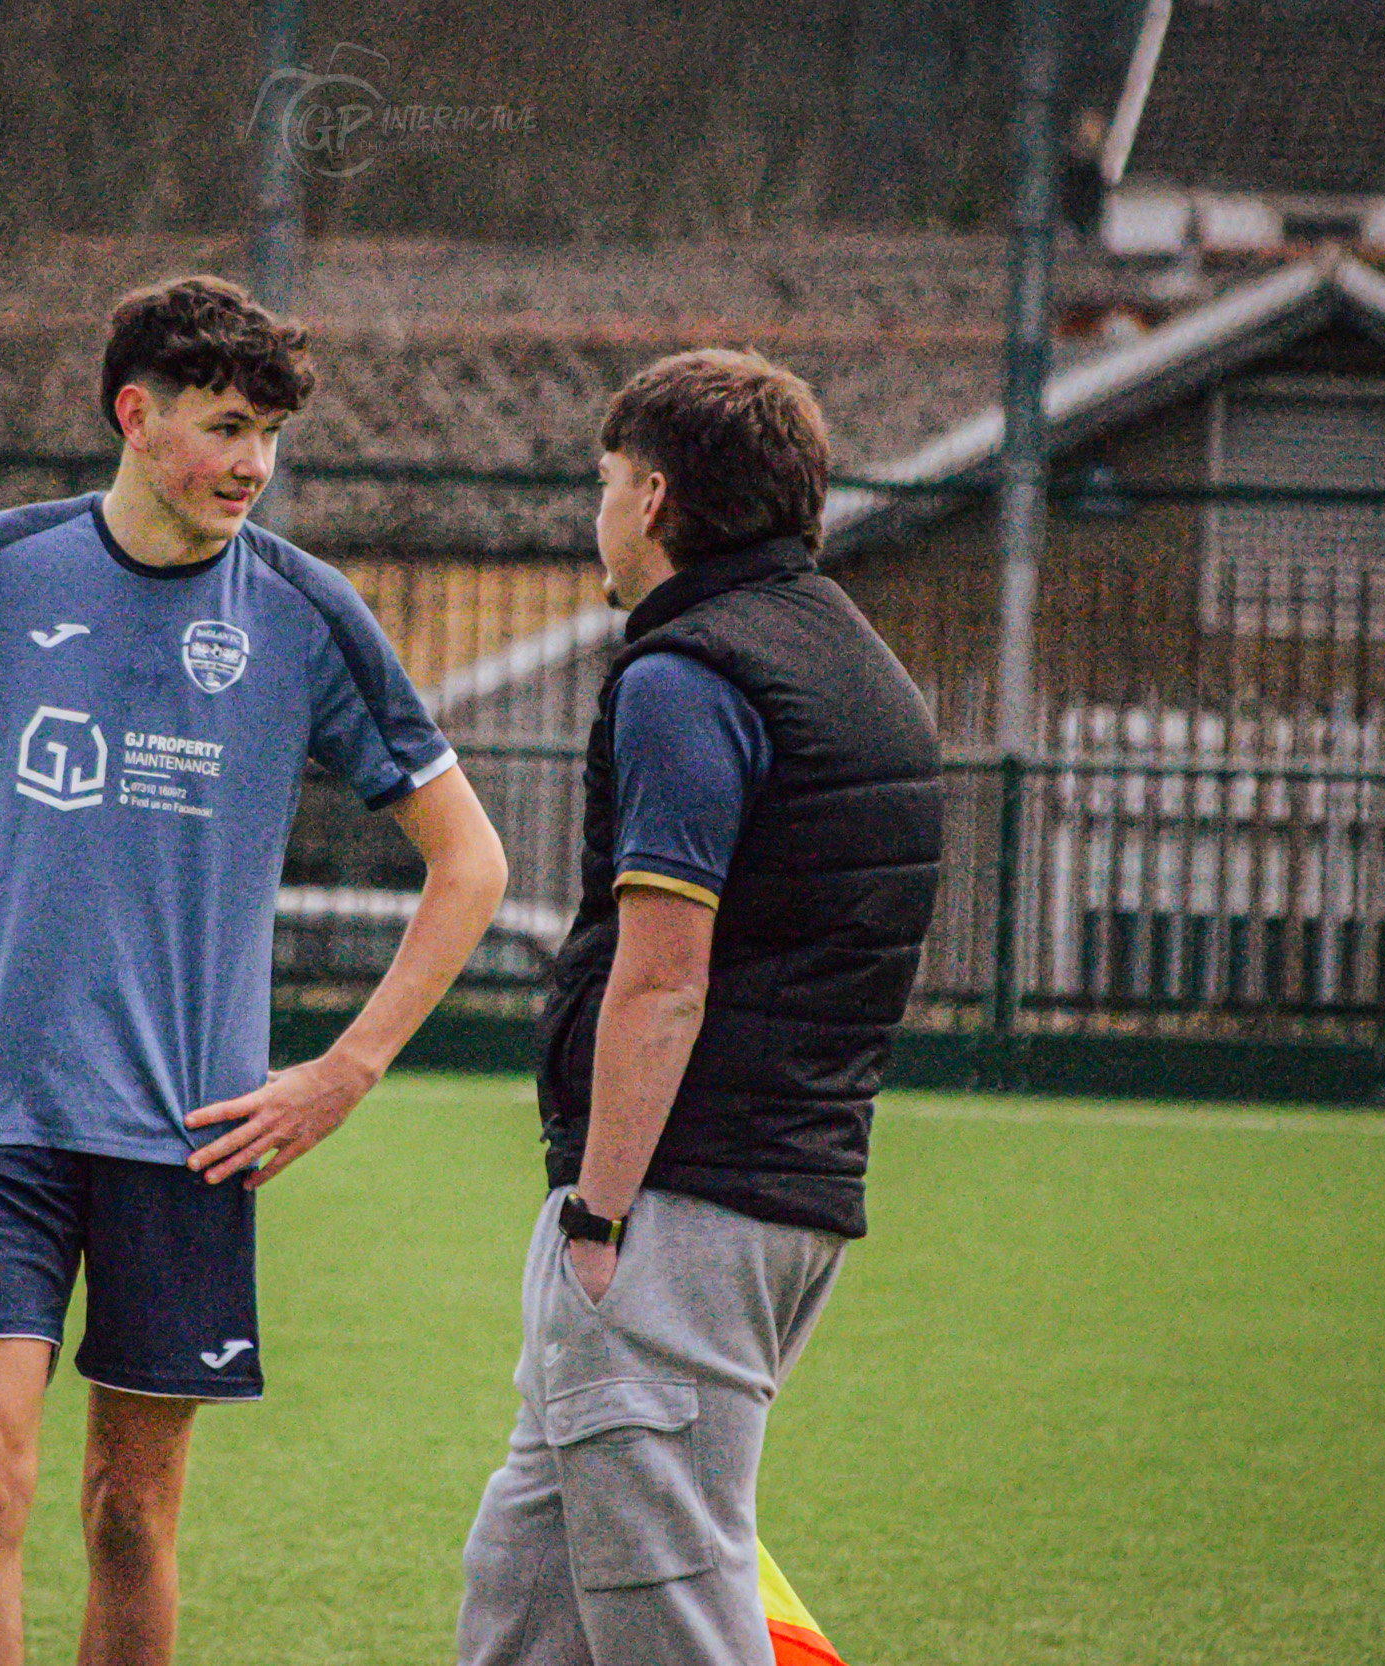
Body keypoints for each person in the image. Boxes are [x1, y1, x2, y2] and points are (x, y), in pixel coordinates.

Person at [0, 274, 507, 1666]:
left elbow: (469, 861)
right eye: (228, 426)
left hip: (187, 1140)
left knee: (129, 1509)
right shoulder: (3, 569)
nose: (253, 465)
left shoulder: (306, 616)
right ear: (136, 414)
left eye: (271, 437)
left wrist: (343, 1072)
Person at [454, 348, 942, 1666]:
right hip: (785, 1201)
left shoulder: (685, 678)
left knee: (675, 1606)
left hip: (677, 1210)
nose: (597, 510)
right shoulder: (860, 667)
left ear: (655, 495)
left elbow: (664, 977)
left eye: (605, 480)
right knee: (527, 1575)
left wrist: (600, 1212)